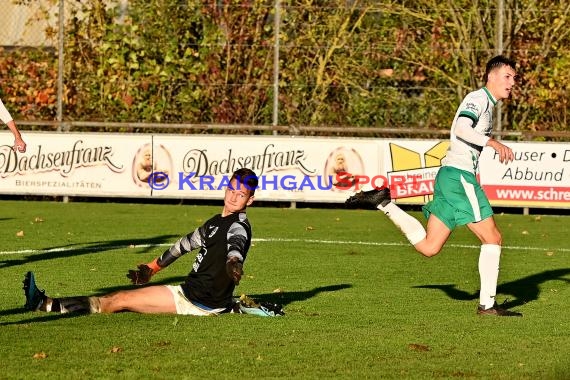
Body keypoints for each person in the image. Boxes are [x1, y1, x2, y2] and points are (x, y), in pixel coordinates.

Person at [345, 55, 521, 316]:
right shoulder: (478, 98)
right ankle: (487, 305)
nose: (512, 82)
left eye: (514, 78)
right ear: (490, 77)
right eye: (507, 76)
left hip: (449, 177)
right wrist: (492, 143)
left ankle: (383, 202)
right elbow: (462, 128)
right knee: (492, 237)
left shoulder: (488, 104)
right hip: (459, 177)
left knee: (429, 247)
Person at [23, 168, 283, 317]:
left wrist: (234, 262)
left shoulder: (238, 225)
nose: (235, 197)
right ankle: (233, 307)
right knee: (121, 300)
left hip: (193, 301)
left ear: (250, 200)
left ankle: (43, 304)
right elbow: (182, 245)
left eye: (242, 194)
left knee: (118, 300)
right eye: (232, 190)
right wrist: (151, 268)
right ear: (226, 188)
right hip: (192, 292)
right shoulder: (215, 222)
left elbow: (236, 244)